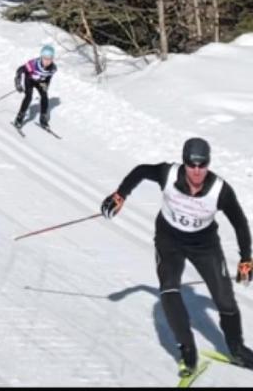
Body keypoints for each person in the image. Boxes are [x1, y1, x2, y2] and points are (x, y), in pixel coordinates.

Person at [100, 138, 253, 373]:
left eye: (202, 165)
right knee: (169, 289)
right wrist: (120, 195)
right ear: (184, 163)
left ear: (208, 164)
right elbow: (141, 171)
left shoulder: (220, 190)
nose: (197, 171)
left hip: (204, 245)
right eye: (192, 165)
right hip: (169, 240)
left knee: (224, 299)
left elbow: (240, 223)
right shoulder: (168, 174)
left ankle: (236, 349)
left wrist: (246, 258)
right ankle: (188, 351)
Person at [13, 44, 59, 131]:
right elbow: (20, 70)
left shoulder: (53, 69)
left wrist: (45, 86)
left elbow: (48, 78)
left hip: (40, 82)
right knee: (29, 96)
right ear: (41, 57)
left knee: (45, 97)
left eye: (49, 59)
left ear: (52, 59)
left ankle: (43, 119)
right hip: (29, 79)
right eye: (45, 58)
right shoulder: (33, 64)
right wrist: (18, 82)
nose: (47, 61)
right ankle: (19, 118)